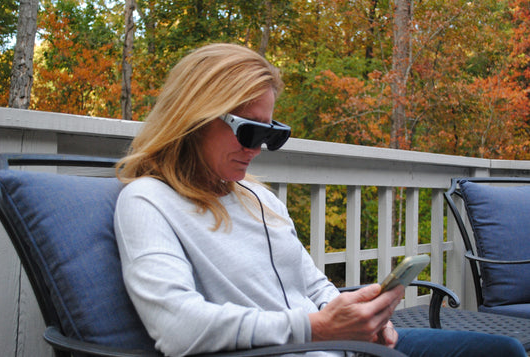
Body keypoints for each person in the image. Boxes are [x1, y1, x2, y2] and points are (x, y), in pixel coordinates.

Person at [114, 43, 526, 357]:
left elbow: (312, 286)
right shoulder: (148, 202)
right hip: (300, 349)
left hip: (341, 346)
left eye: (271, 134)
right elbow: (177, 328)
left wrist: (361, 318)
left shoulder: (257, 196)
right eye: (248, 131)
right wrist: (318, 328)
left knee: (502, 351)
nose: (258, 149)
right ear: (193, 118)